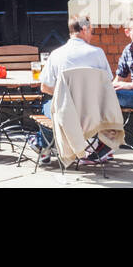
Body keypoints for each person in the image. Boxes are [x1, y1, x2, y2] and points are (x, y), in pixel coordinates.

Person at [38, 15, 116, 161]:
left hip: (65, 112)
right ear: (84, 29)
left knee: (48, 108)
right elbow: (107, 84)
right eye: (92, 31)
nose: (92, 35)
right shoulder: (97, 53)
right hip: (93, 114)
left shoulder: (56, 55)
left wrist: (65, 96)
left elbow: (44, 87)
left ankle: (43, 146)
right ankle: (102, 145)